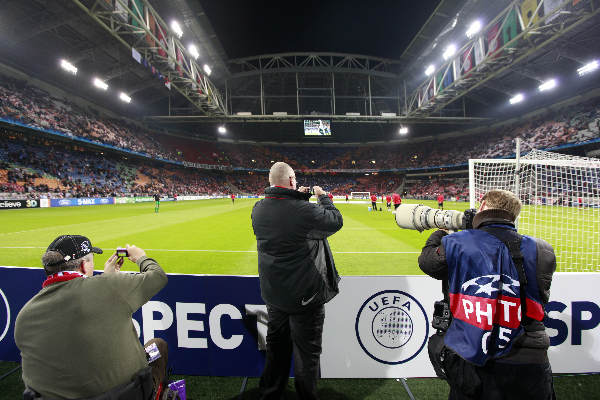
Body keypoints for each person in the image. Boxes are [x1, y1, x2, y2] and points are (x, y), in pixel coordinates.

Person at [418, 190, 556, 400]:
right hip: (531, 358)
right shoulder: (543, 249)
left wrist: (441, 231)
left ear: (481, 207)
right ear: (513, 215)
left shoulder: (458, 242)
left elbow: (427, 262)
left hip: (474, 356)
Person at [15, 235, 169, 399]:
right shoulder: (109, 287)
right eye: (91, 260)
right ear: (83, 265)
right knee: (157, 346)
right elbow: (157, 277)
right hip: (127, 394)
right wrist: (140, 257)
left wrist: (107, 278)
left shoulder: (25, 314)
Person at [251, 162, 343, 400]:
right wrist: (323, 197)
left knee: (276, 350)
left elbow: (289, 224)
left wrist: (298, 198)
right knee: (307, 356)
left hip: (274, 296)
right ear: (292, 181)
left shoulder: (258, 209)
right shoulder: (304, 211)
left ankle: (270, 394)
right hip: (305, 297)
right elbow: (334, 220)